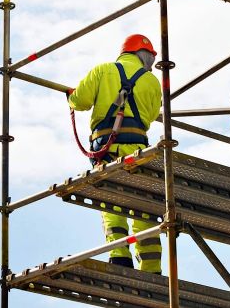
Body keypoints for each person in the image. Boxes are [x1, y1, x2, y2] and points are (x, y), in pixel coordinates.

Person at [68, 34, 162, 273]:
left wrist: (71, 96)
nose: (152, 61)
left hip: (106, 149)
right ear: (144, 54)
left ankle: (119, 256)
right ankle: (151, 268)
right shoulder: (151, 81)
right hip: (139, 148)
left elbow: (80, 101)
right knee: (143, 206)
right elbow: (151, 115)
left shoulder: (102, 71)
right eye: (151, 56)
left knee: (112, 202)